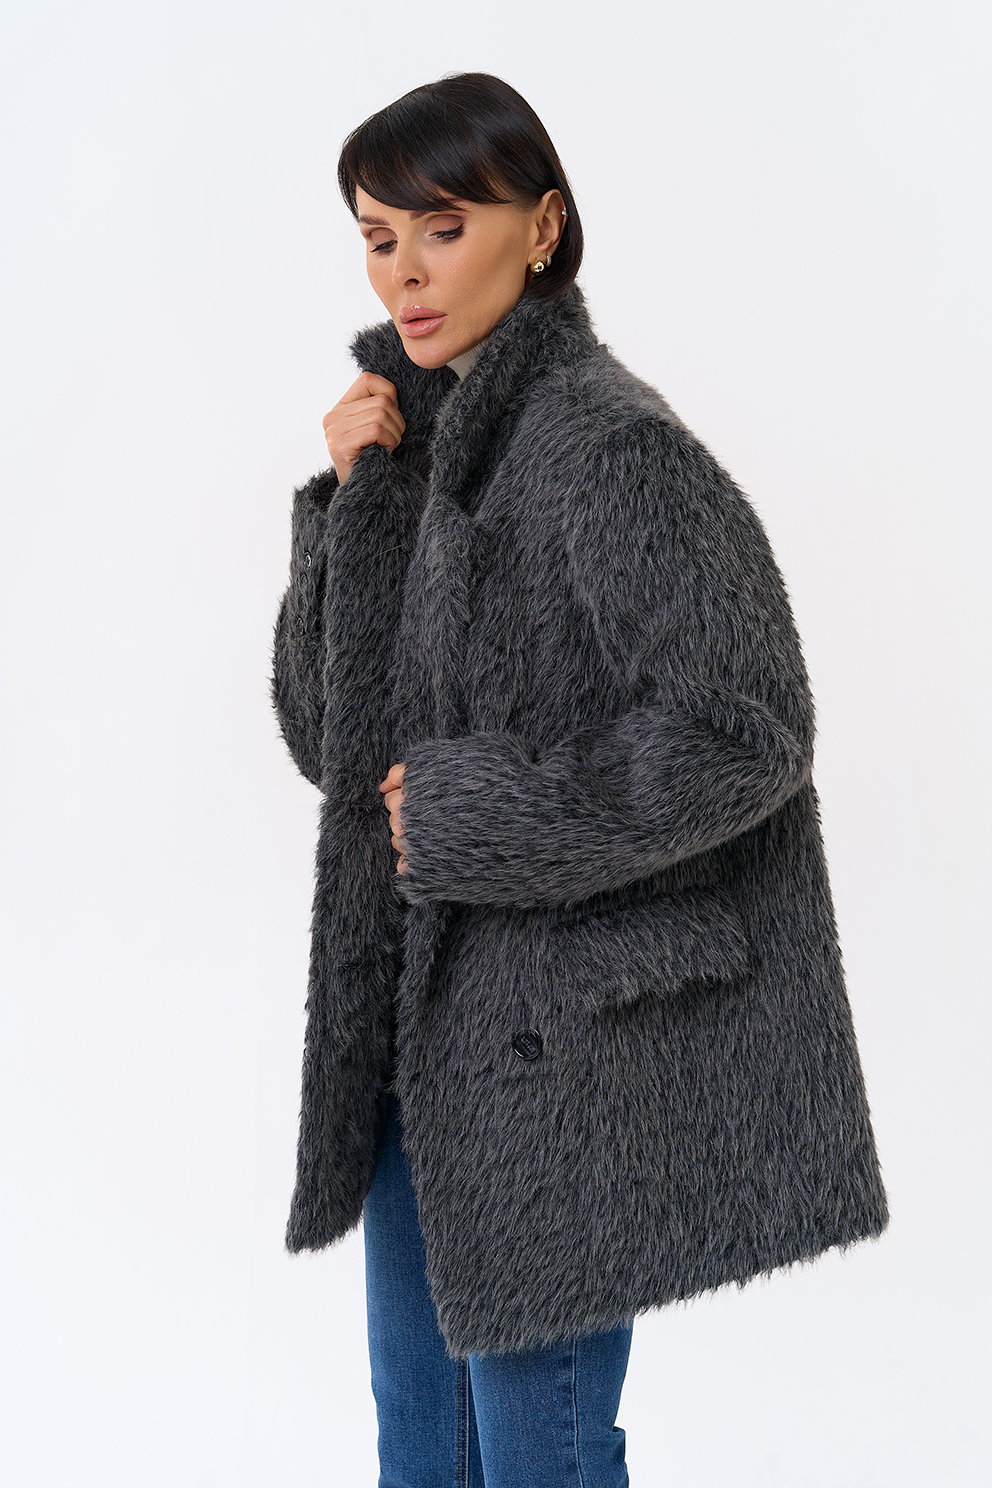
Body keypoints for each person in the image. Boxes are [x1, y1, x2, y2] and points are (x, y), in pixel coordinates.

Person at [270, 72, 889, 1488]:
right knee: (424, 1452)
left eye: (442, 229)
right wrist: (345, 509)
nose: (405, 273)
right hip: (422, 1049)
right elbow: (325, 741)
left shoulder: (610, 448)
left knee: (536, 1454)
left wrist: (474, 813)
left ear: (542, 228)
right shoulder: (414, 444)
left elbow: (747, 729)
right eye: (377, 237)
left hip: (563, 1061)